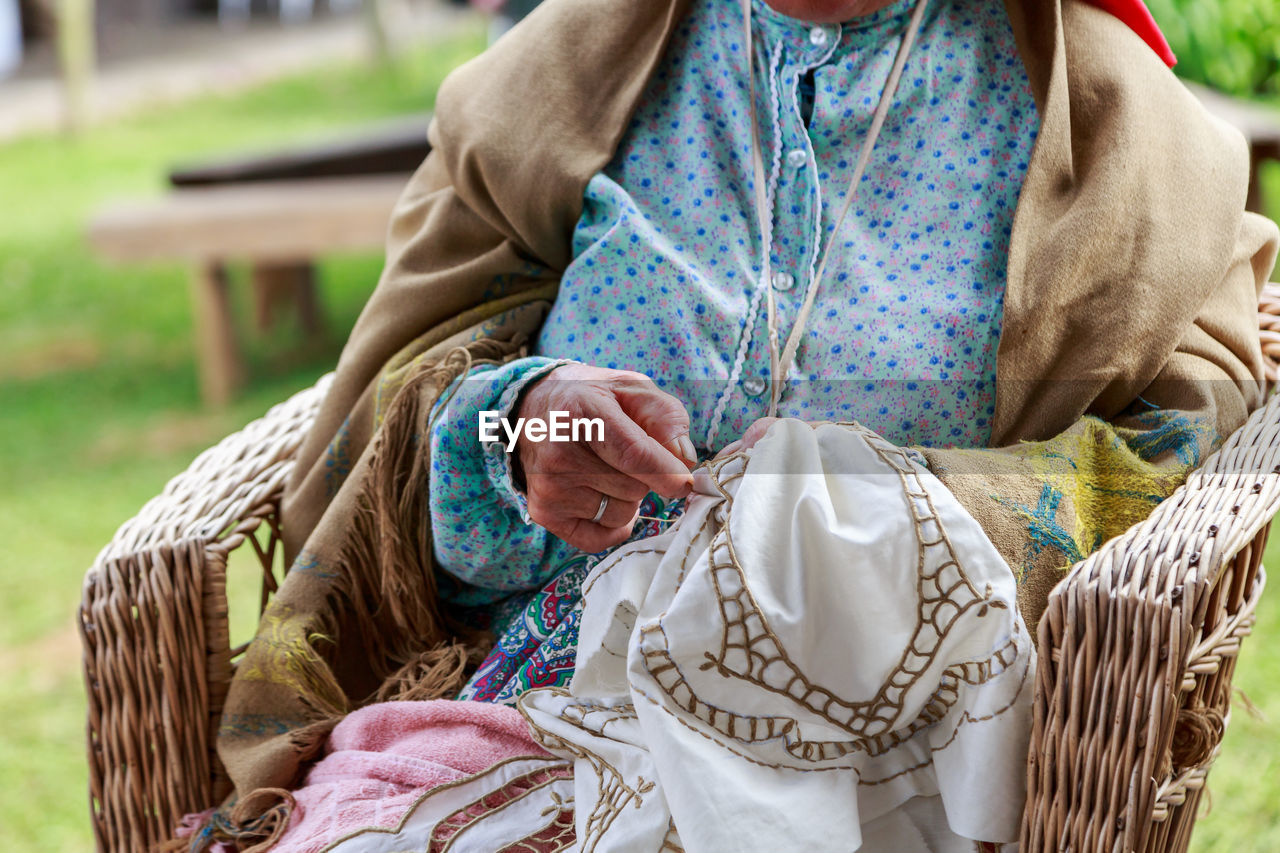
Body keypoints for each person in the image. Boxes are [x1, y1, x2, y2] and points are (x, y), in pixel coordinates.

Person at [194, 0, 1278, 850]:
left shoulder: (1125, 147)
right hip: (512, 719)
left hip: (875, 765)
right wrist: (512, 431)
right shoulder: (557, 78)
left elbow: (1173, 448)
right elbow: (388, 423)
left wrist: (890, 516)